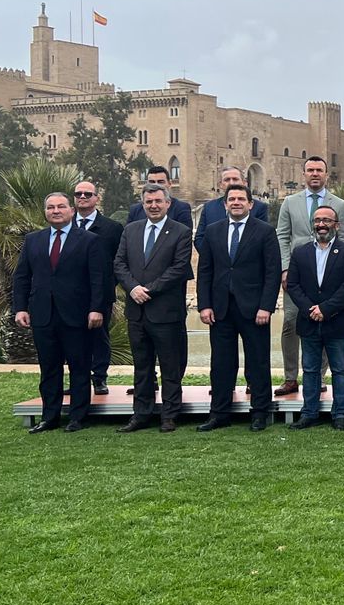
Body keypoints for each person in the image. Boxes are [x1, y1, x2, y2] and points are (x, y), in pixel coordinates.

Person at [12, 191, 109, 432]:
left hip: (77, 315)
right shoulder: (33, 240)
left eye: (61, 206)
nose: (56, 211)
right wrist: (20, 308)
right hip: (43, 314)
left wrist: (96, 309)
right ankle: (49, 417)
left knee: (79, 367)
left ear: (71, 210)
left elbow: (99, 279)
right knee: (49, 368)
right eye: (51, 207)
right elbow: (22, 276)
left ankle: (78, 417)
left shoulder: (89, 240)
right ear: (45, 212)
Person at [195, 183, 281, 432]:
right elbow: (205, 271)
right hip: (220, 309)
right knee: (221, 363)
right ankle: (219, 413)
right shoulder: (213, 231)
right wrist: (204, 305)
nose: (236, 202)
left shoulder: (265, 231)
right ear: (225, 204)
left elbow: (272, 272)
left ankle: (260, 412)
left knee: (258, 362)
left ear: (250, 204)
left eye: (241, 199)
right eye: (231, 199)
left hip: (254, 310)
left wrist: (266, 307)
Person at [114, 183, 192, 432]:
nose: (154, 206)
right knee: (142, 366)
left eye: (158, 201)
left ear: (168, 203)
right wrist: (133, 288)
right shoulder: (131, 230)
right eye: (149, 202)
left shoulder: (180, 232)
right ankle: (141, 414)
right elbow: (119, 264)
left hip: (166, 312)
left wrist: (149, 290)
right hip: (137, 312)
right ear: (143, 204)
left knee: (170, 367)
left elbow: (179, 268)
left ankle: (169, 415)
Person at [275, 156, 344, 397]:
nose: (315, 174)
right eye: (310, 170)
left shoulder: (339, 204)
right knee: (290, 322)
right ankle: (290, 377)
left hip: (328, 275)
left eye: (319, 170)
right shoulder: (290, 202)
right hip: (297, 274)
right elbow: (282, 236)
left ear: (326, 175)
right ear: (304, 174)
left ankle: (319, 375)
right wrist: (285, 268)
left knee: (326, 321)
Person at [285, 206, 344, 430]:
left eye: (326, 220)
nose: (321, 224)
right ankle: (309, 413)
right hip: (309, 320)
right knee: (310, 370)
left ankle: (340, 414)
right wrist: (311, 309)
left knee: (340, 370)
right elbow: (293, 285)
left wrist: (326, 309)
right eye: (317, 220)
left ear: (336, 225)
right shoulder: (300, 252)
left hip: (338, 320)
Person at [71, 179, 124, 395]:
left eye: (88, 194)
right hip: (70, 295)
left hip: (101, 295)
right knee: (73, 339)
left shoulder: (112, 228)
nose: (83, 197)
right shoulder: (66, 225)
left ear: (97, 198)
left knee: (99, 338)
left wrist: (108, 285)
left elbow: (119, 261)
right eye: (78, 194)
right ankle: (78, 380)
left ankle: (99, 378)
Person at [194, 166, 270, 257]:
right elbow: (200, 238)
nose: (231, 183)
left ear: (244, 183)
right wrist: (214, 257)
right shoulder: (209, 208)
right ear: (220, 185)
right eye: (227, 180)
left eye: (235, 179)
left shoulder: (259, 207)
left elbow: (262, 238)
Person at [127, 164, 193, 227]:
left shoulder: (181, 208)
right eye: (152, 182)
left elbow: (184, 233)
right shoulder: (135, 210)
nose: (156, 185)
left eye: (160, 182)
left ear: (169, 184)